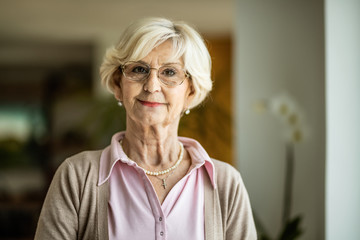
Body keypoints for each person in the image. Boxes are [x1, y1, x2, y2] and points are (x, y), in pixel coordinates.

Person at [34, 17, 257, 240]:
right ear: (118, 84)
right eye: (139, 69)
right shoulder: (76, 176)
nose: (151, 86)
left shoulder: (225, 183)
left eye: (170, 72)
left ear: (190, 92)